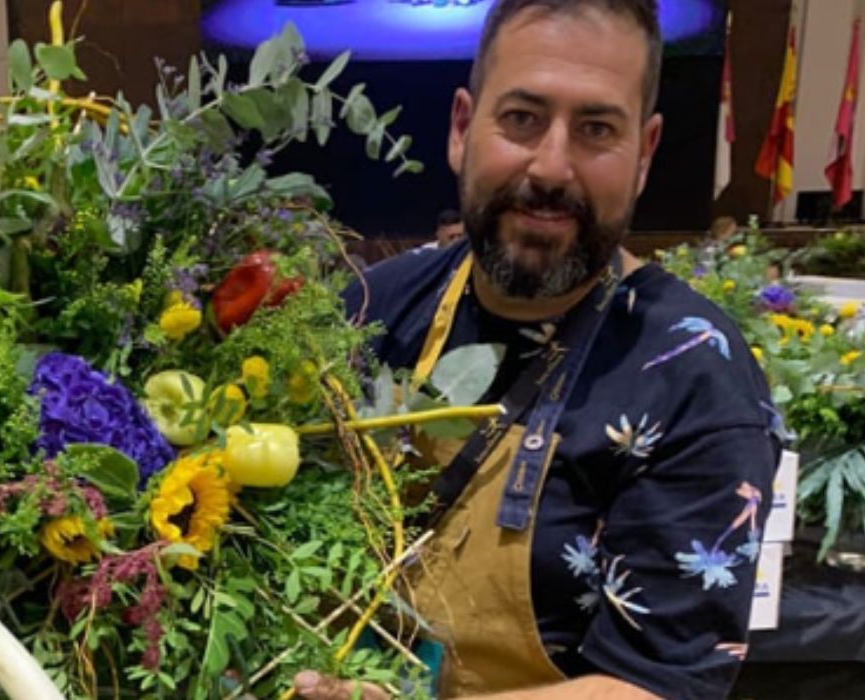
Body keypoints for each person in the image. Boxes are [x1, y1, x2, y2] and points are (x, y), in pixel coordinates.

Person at [296, 2, 781, 699]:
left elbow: (659, 686)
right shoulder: (373, 310)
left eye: (595, 130)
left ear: (643, 155)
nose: (552, 167)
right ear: (463, 129)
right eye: (522, 119)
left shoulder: (690, 375)